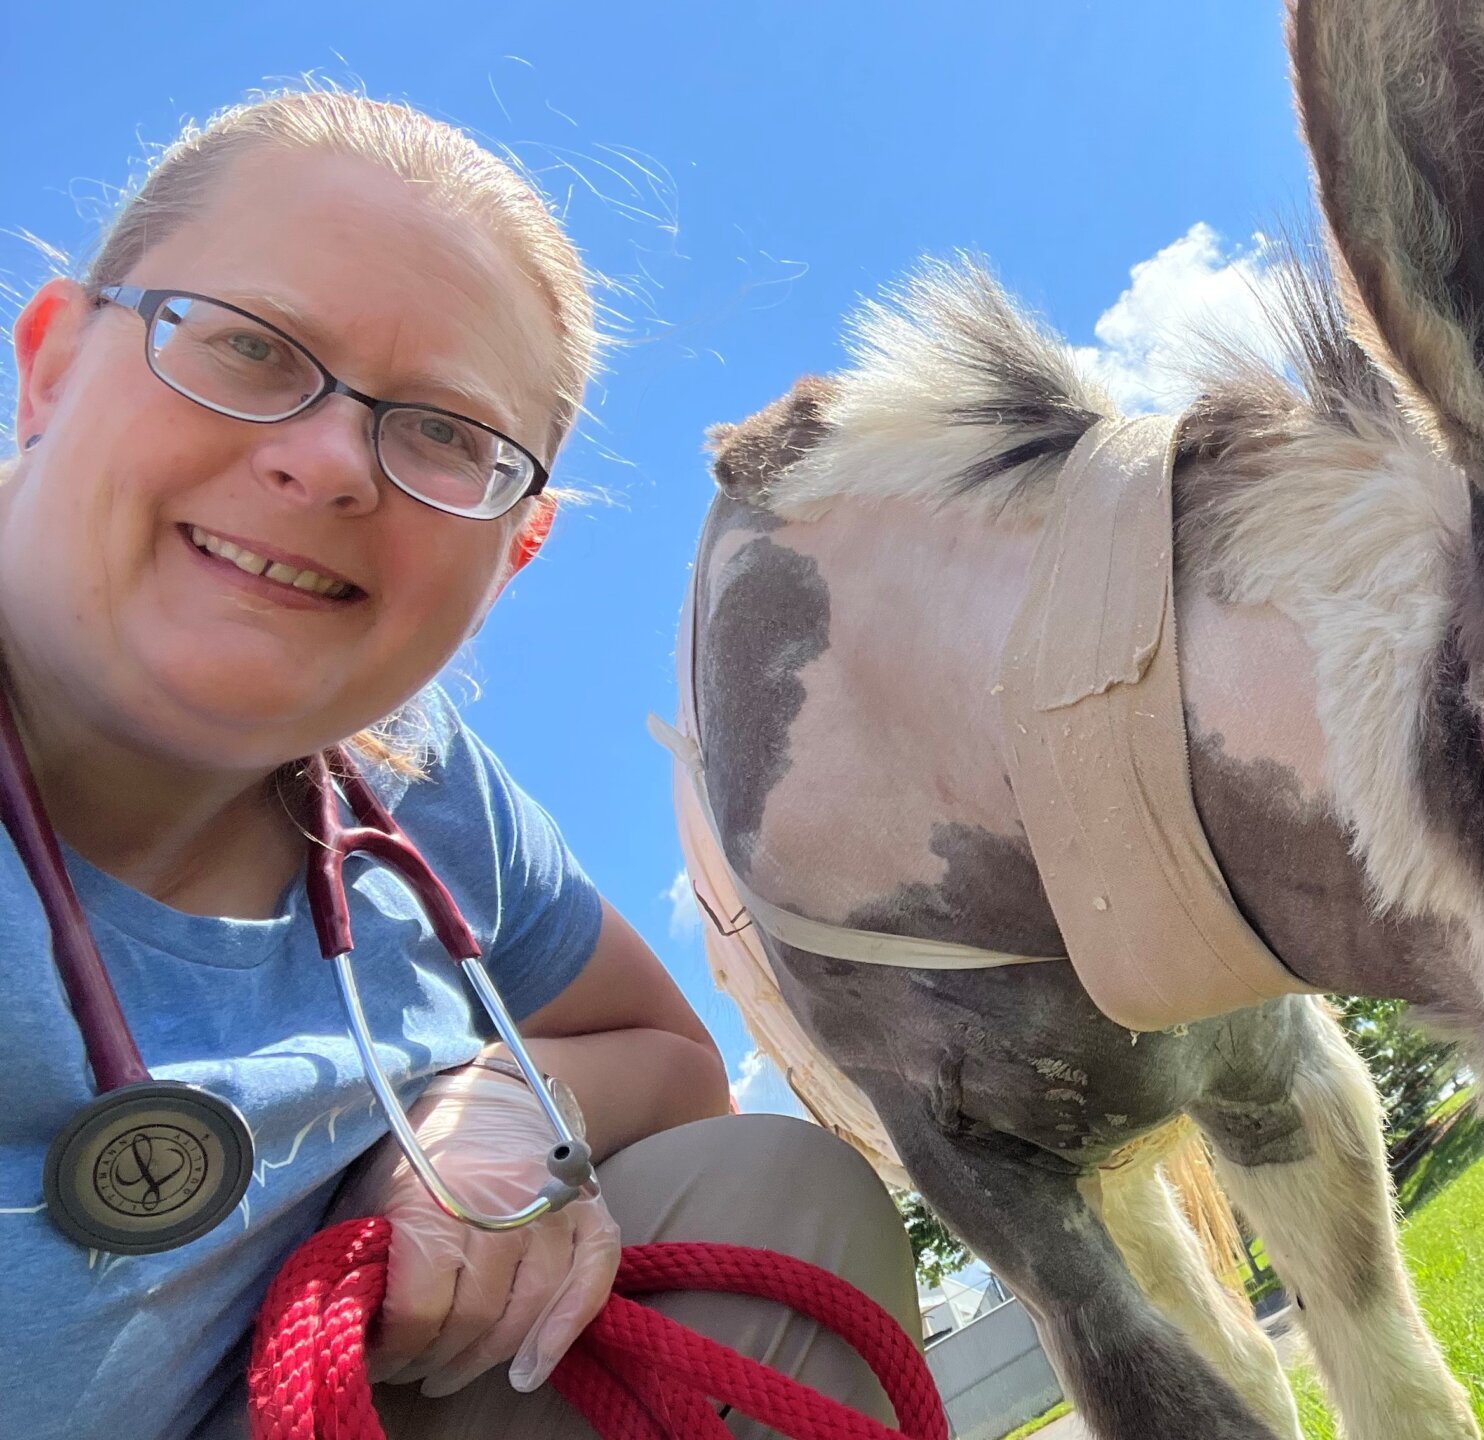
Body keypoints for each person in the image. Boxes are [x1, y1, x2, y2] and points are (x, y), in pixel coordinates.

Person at [0, 91, 919, 1440]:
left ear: (515, 555)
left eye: (445, 433)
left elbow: (662, 1053)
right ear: (53, 363)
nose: (326, 465)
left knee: (772, 1192)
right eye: (251, 346)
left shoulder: (428, 791)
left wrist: (485, 1117)